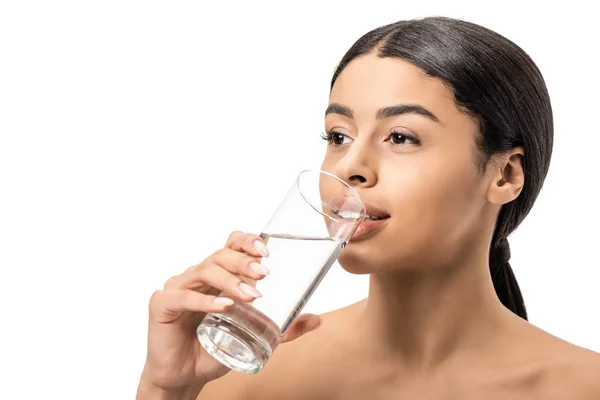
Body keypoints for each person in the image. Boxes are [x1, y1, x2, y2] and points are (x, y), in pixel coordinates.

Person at [136, 16, 600, 399]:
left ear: (505, 175)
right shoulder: (240, 378)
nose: (350, 167)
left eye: (401, 137)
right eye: (338, 136)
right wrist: (166, 388)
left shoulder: (583, 387)